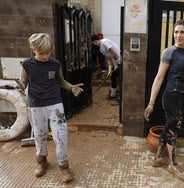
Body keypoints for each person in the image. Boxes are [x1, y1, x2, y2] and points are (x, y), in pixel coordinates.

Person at [144, 20, 184, 181]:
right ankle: (172, 163)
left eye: (182, 32)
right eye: (176, 32)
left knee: (170, 125)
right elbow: (159, 78)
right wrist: (151, 103)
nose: (178, 35)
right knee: (174, 129)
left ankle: (158, 158)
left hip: (183, 97)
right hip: (171, 96)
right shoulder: (169, 52)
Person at [18, 33, 84, 183]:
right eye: (42, 53)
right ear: (33, 49)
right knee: (40, 135)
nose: (46, 56)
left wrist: (71, 87)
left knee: (61, 135)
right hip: (36, 105)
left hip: (55, 105)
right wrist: (20, 87)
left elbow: (60, 81)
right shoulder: (26, 65)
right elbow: (23, 82)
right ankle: (42, 162)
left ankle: (64, 165)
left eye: (48, 52)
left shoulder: (55, 64)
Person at [91, 34, 120, 101]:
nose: (93, 45)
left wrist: (115, 64)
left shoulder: (104, 42)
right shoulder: (100, 48)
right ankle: (113, 95)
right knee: (113, 77)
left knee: (120, 78)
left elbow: (114, 54)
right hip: (114, 61)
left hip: (119, 60)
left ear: (95, 41)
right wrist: (110, 68)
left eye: (93, 43)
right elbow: (107, 58)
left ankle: (120, 97)